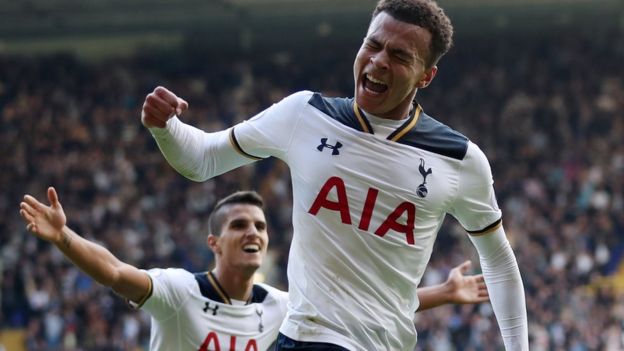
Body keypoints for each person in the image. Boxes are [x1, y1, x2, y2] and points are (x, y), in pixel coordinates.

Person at [142, 0, 528, 349]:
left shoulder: (458, 158)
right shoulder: (304, 115)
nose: (378, 61)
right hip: (303, 337)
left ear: (426, 77)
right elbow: (202, 159)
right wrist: (166, 127)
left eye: (399, 55)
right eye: (372, 45)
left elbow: (497, 260)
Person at [20, 187, 489, 350]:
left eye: (261, 226)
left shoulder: (281, 306)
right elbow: (115, 272)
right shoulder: (180, 291)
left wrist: (444, 293)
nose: (254, 233)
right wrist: (64, 237)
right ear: (213, 243)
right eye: (240, 225)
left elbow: (360, 310)